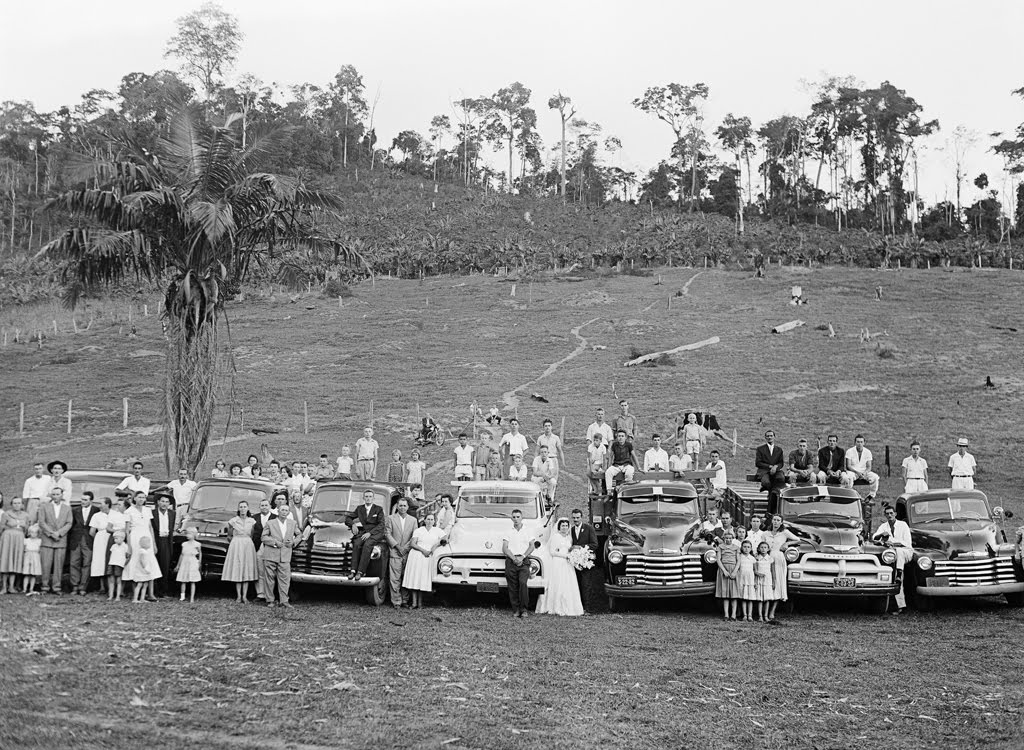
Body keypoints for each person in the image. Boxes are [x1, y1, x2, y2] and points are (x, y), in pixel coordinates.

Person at [536, 518, 584, 616]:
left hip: (568, 563)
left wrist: (574, 555)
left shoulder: (569, 538)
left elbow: (569, 549)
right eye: (563, 526)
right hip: (558, 562)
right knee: (558, 583)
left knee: (567, 583)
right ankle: (555, 606)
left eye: (566, 526)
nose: (565, 528)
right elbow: (552, 552)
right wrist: (566, 556)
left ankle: (567, 606)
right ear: (559, 527)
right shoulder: (556, 537)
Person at [872, 505, 913, 614]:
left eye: (891, 513)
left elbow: (907, 543)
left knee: (898, 552)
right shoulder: (884, 526)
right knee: (894, 576)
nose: (890, 515)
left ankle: (899, 573)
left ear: (895, 514)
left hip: (906, 552)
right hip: (893, 556)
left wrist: (893, 543)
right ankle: (900, 606)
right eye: (887, 514)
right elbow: (874, 538)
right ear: (885, 515)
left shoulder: (903, 525)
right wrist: (881, 535)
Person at [403, 511, 446, 609]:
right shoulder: (419, 530)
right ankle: (414, 603)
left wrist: (436, 545)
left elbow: (445, 538)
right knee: (415, 578)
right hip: (417, 555)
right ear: (424, 520)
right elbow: (413, 544)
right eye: (428, 519)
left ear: (434, 521)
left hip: (428, 557)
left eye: (432, 519)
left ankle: (420, 603)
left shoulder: (437, 530)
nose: (430, 521)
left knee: (422, 579)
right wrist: (423, 551)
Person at [262, 502, 299, 608]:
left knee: (285, 579)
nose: (284, 512)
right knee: (269, 578)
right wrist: (274, 542)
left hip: (285, 555)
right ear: (278, 511)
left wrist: (293, 542)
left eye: (286, 510)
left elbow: (299, 535)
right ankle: (270, 600)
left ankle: (284, 600)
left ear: (288, 513)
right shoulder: (270, 523)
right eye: (282, 510)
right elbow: (263, 537)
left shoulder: (292, 523)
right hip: (271, 554)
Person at [502, 509, 537, 618]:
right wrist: (513, 558)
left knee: (522, 583)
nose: (516, 519)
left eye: (518, 517)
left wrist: (522, 557)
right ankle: (516, 610)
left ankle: (524, 609)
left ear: (522, 518)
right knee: (512, 586)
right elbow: (504, 548)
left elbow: (532, 546)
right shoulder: (508, 531)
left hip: (524, 560)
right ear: (511, 518)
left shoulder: (528, 530)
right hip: (511, 561)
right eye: (514, 517)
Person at [123, 492, 157, 601]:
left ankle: (150, 593)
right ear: (134, 498)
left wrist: (154, 543)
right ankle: (135, 594)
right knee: (135, 562)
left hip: (147, 537)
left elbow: (150, 527)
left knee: (149, 563)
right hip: (135, 538)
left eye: (143, 497)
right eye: (139, 497)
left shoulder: (147, 510)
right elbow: (127, 530)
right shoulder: (129, 511)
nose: (141, 499)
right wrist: (129, 546)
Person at [762, 514, 799, 617]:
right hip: (768, 558)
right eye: (774, 520)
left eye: (778, 520)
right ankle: (764, 611)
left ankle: (772, 612)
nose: (776, 522)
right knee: (768, 583)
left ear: (781, 522)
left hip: (779, 558)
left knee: (778, 583)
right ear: (771, 521)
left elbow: (797, 539)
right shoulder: (765, 534)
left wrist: (786, 544)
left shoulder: (784, 533)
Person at [38, 487, 72, 595]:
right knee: (46, 565)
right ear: (51, 495)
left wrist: (59, 533)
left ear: (62, 495)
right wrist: (52, 533)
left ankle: (57, 587)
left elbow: (69, 523)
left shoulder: (67, 508)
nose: (56, 496)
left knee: (59, 565)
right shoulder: (44, 507)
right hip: (47, 539)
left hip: (61, 540)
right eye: (54, 494)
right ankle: (44, 586)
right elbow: (42, 522)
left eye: (58, 494)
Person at [222, 500, 258, 602]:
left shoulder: (252, 521)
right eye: (241, 507)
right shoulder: (233, 521)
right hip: (236, 544)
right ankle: (238, 595)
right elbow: (229, 536)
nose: (242, 509)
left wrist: (245, 541)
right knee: (238, 568)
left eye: (244, 507)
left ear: (248, 508)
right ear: (238, 509)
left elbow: (251, 534)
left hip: (247, 544)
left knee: (246, 568)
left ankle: (244, 596)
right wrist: (236, 542)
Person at [385, 498, 416, 609]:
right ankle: (396, 601)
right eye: (401, 505)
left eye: (404, 506)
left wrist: (405, 548)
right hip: (395, 552)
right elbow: (387, 534)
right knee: (395, 578)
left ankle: (405, 600)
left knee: (406, 577)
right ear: (397, 506)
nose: (402, 508)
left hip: (407, 552)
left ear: (408, 507)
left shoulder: (413, 520)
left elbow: (414, 536)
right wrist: (397, 546)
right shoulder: (390, 518)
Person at [348, 490, 385, 581]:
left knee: (367, 545)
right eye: (366, 496)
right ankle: (353, 570)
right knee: (356, 543)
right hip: (365, 532)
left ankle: (360, 572)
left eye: (370, 496)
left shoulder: (378, 509)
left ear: (373, 498)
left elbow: (381, 524)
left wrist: (370, 533)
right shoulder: (360, 508)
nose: (368, 498)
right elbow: (348, 517)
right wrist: (352, 524)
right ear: (363, 498)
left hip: (376, 533)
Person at [69, 491, 100, 595]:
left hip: (89, 539)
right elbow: (71, 525)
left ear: (91, 501)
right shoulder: (75, 510)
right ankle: (74, 586)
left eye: (85, 500)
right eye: (82, 499)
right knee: (74, 562)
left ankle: (83, 587)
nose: (83, 501)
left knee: (87, 563)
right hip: (76, 539)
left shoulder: (96, 510)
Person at [569, 509, 598, 612]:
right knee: (575, 584)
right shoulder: (571, 530)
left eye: (578, 517)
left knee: (586, 585)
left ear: (582, 517)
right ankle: (577, 607)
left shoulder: (589, 529)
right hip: (574, 563)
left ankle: (587, 608)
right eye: (574, 518)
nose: (576, 520)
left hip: (585, 562)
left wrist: (579, 547)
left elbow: (594, 544)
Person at [0, 496, 28, 594]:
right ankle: (4, 587)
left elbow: (27, 529)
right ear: (11, 504)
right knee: (6, 561)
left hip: (19, 539)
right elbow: (1, 527)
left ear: (22, 504)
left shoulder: (26, 515)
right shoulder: (6, 514)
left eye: (19, 503)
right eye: (15, 503)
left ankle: (11, 587)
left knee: (15, 561)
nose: (17, 505)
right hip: (7, 538)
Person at [841, 435, 880, 501]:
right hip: (853, 471)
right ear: (855, 443)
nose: (859, 444)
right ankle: (848, 495)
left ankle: (871, 496)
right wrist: (857, 473)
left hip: (864, 471)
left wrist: (865, 473)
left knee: (875, 477)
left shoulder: (868, 452)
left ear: (864, 443)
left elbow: (869, 467)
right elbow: (848, 466)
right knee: (849, 477)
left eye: (861, 442)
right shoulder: (849, 451)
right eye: (858, 442)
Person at [150, 495, 176, 597]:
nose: (164, 504)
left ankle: (163, 590)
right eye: (162, 501)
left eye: (166, 502)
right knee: (155, 564)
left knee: (165, 566)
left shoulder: (172, 514)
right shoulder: (152, 513)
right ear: (158, 502)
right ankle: (153, 590)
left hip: (166, 541)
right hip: (156, 540)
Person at [755, 431, 786, 512]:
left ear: (774, 437)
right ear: (765, 438)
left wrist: (775, 467)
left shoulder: (779, 450)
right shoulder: (760, 449)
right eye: (768, 436)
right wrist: (769, 466)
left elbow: (781, 462)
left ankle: (774, 497)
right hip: (764, 470)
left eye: (771, 436)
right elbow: (758, 463)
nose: (770, 437)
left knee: (781, 478)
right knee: (766, 482)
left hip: (776, 470)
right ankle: (771, 496)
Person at [253, 497, 275, 601]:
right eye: (262, 505)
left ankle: (269, 594)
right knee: (259, 570)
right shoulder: (254, 518)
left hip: (270, 547)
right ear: (259, 507)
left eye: (266, 505)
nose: (264, 507)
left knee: (270, 572)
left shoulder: (275, 517)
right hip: (258, 547)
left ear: (270, 506)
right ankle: (260, 594)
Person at [715, 529, 740, 620]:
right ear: (724, 538)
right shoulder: (720, 547)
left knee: (734, 594)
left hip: (733, 569)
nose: (728, 540)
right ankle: (726, 614)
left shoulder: (736, 547)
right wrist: (724, 571)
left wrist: (734, 571)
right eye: (726, 538)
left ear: (733, 538)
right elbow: (718, 560)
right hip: (724, 570)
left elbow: (738, 561)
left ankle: (733, 615)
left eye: (730, 538)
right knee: (725, 594)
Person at [88, 498, 112, 593]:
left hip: (112, 538)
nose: (99, 505)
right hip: (100, 539)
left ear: (107, 504)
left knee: (111, 559)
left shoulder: (114, 514)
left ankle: (111, 586)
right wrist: (99, 538)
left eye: (101, 503)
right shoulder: (96, 515)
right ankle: (102, 586)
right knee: (100, 561)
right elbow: (91, 532)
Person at [130, 537, 160, 603]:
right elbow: (142, 561)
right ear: (144, 544)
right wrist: (146, 568)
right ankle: (135, 599)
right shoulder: (142, 551)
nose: (150, 544)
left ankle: (142, 598)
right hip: (142, 570)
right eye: (149, 543)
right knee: (140, 584)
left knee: (145, 584)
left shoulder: (146, 551)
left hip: (146, 570)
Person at [176, 527, 202, 602]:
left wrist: (199, 562)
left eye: (189, 534)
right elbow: (182, 554)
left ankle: (192, 598)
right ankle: (182, 596)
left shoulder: (197, 544)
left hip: (192, 562)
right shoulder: (184, 544)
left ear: (193, 535)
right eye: (186, 533)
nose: (187, 535)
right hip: (185, 562)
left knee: (192, 580)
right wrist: (178, 565)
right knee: (183, 580)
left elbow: (200, 553)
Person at [754, 541, 775, 622]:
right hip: (759, 580)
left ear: (768, 549)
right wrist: (755, 581)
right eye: (761, 547)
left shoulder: (770, 559)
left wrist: (773, 581)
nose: (763, 549)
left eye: (765, 547)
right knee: (760, 599)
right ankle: (760, 616)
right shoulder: (756, 558)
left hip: (768, 580)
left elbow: (773, 571)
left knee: (767, 599)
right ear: (759, 549)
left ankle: (766, 616)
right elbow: (755, 571)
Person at [737, 539, 757, 622]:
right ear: (741, 547)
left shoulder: (752, 558)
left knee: (750, 598)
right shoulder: (739, 557)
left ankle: (750, 615)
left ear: (751, 548)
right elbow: (738, 569)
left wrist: (755, 581)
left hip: (750, 580)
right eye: (744, 547)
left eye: (748, 547)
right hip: (742, 579)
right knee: (744, 598)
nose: (746, 549)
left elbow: (755, 571)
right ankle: (744, 615)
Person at [106, 530, 128, 600]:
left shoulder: (125, 546)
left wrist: (124, 564)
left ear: (122, 538)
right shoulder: (113, 546)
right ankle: (111, 595)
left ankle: (118, 596)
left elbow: (127, 556)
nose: (115, 540)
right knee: (111, 581)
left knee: (119, 581)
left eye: (116, 538)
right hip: (112, 563)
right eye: (114, 538)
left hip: (119, 565)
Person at [23, 525, 43, 595]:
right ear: (29, 533)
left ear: (38, 533)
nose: (33, 534)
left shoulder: (39, 541)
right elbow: (24, 549)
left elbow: (40, 550)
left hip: (35, 557)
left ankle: (31, 588)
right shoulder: (26, 540)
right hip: (28, 557)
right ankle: (24, 588)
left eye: (35, 533)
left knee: (33, 574)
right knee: (27, 574)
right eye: (32, 532)